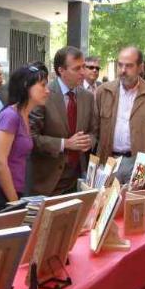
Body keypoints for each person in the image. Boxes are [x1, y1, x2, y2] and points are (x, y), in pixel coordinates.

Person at [95, 47, 145, 184]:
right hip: (109, 161)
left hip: (141, 164)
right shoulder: (103, 92)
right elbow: (95, 128)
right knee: (107, 202)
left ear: (140, 67)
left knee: (135, 201)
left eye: (129, 66)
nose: (123, 70)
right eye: (120, 65)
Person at [0, 62, 49, 213]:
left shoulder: (24, 116)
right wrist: (15, 203)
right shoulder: (11, 116)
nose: (47, 91)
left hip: (13, 192)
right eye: (42, 85)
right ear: (26, 86)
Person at [29, 47, 95, 196]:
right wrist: (65, 143)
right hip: (48, 180)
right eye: (77, 68)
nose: (83, 72)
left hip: (78, 178)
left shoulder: (88, 97)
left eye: (84, 66)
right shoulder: (43, 95)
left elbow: (94, 131)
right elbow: (31, 138)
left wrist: (88, 141)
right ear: (61, 70)